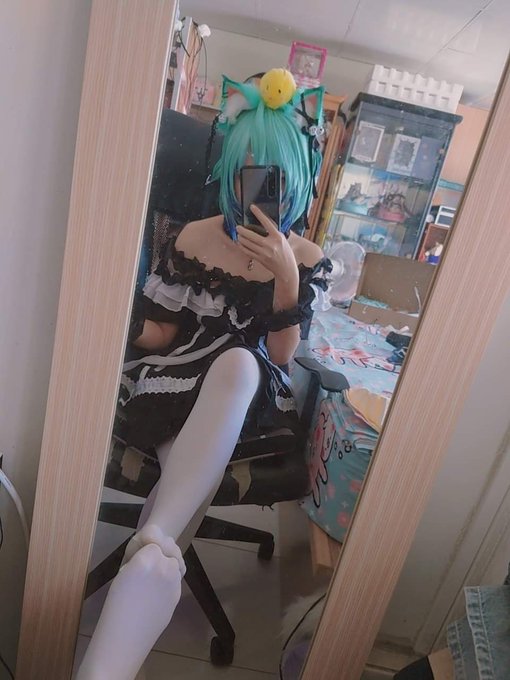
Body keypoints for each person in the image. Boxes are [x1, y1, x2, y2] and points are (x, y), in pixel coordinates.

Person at [77, 68, 331, 680]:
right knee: (188, 449)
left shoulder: (307, 259)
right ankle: (157, 549)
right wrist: (113, 310)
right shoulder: (194, 237)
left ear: (298, 177)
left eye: (274, 177)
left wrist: (286, 277)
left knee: (240, 361)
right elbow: (164, 335)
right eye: (249, 172)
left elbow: (283, 354)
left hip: (242, 397)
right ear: (230, 169)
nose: (259, 189)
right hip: (174, 380)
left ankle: (155, 540)